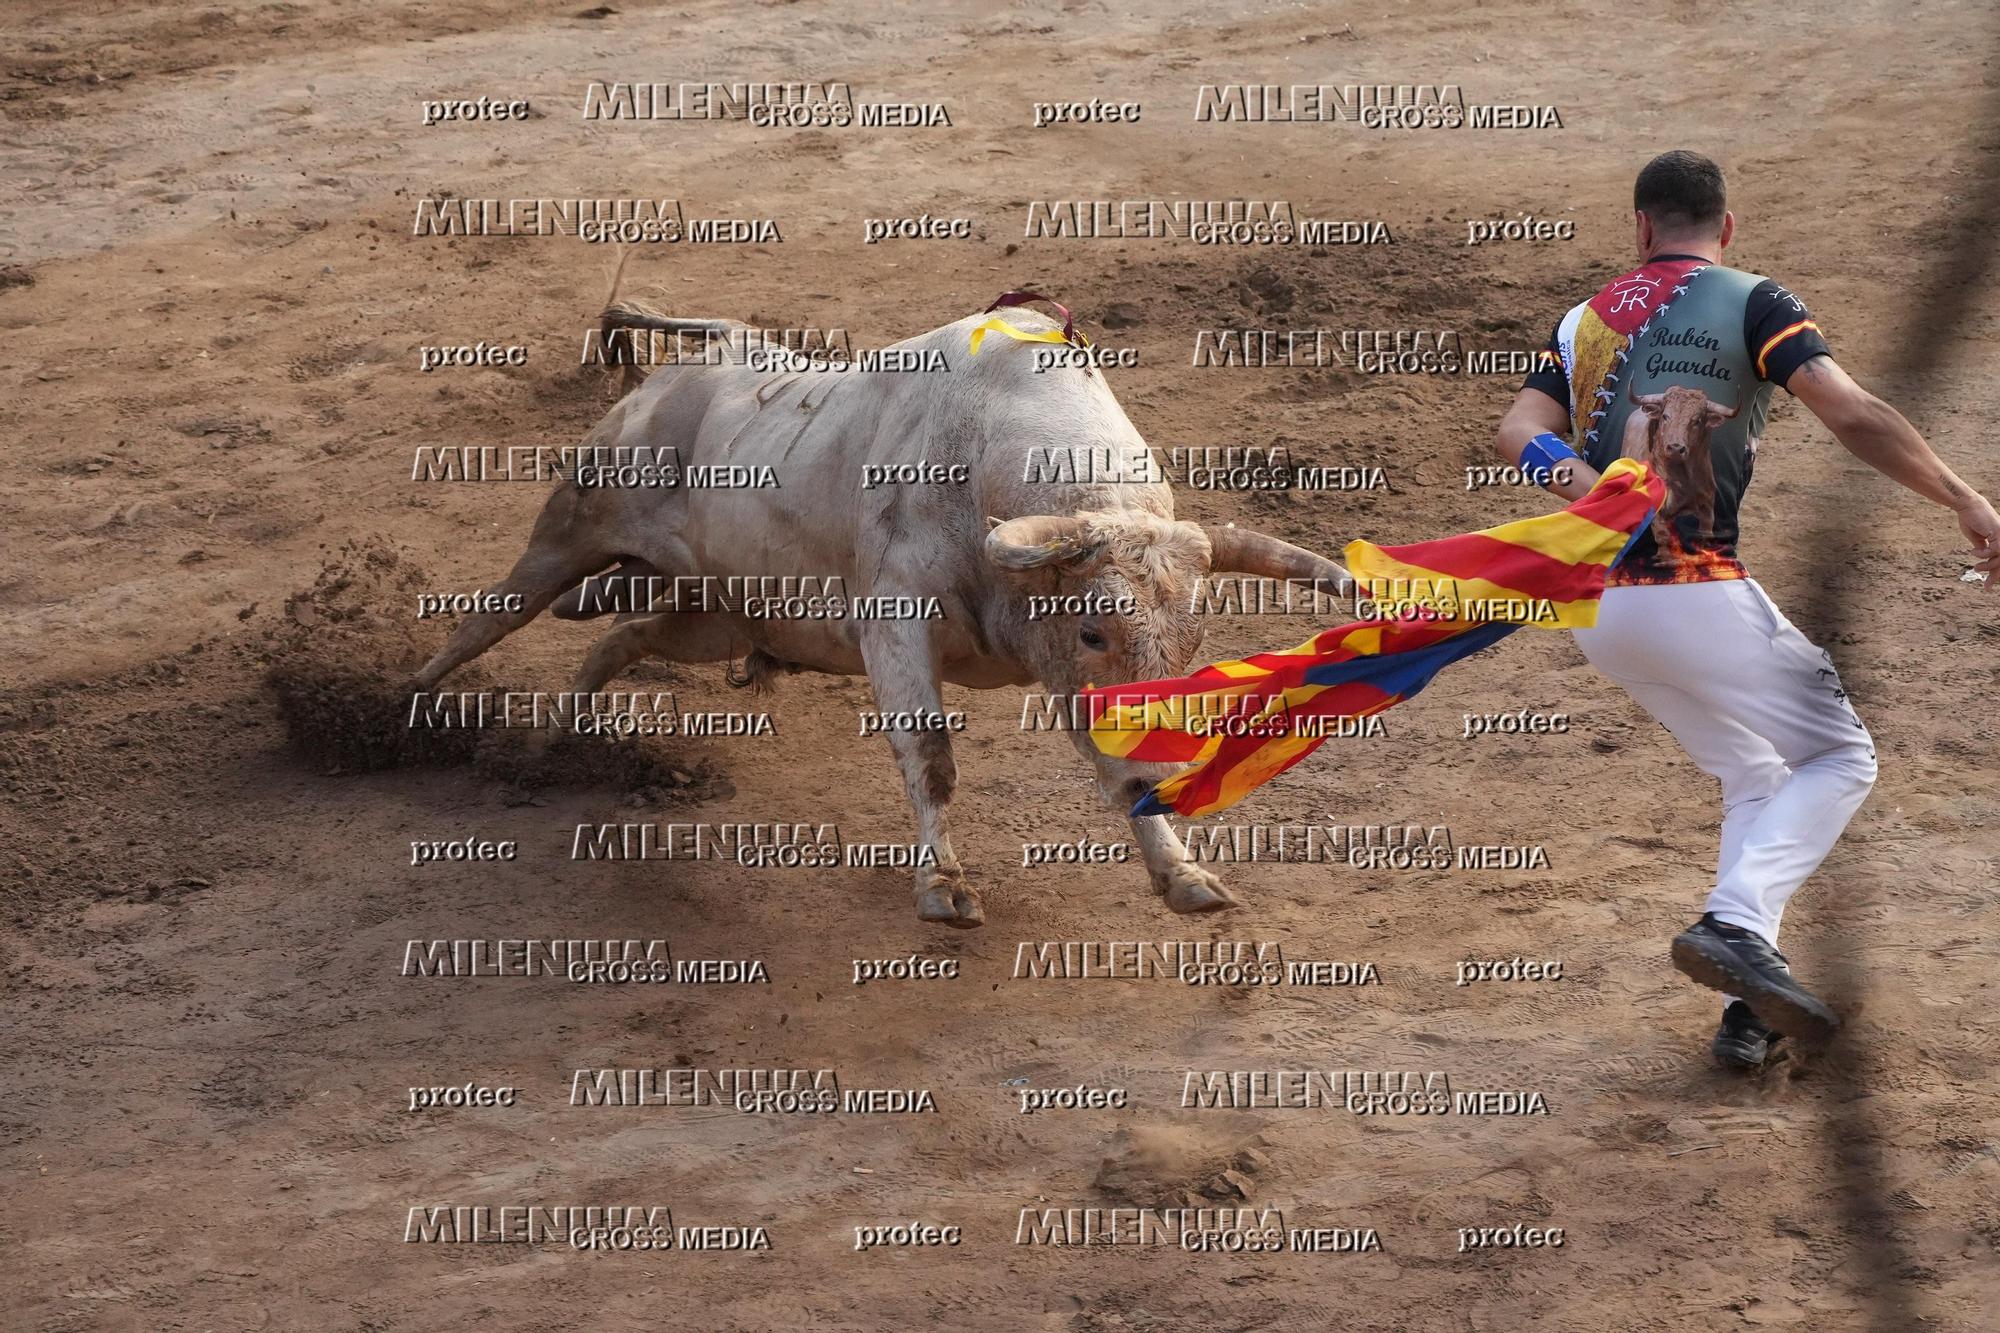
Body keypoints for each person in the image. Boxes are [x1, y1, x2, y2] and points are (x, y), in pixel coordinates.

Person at [1490, 150, 2000, 1067]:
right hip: (1692, 590)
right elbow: (1851, 413)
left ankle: (1748, 996)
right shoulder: (1755, 298)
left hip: (1598, 611)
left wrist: (1580, 484)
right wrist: (1964, 496)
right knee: (1841, 754)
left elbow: (1517, 431)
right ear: (1724, 228)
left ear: (1640, 228)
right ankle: (1733, 924)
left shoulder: (1585, 317)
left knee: (1757, 773)